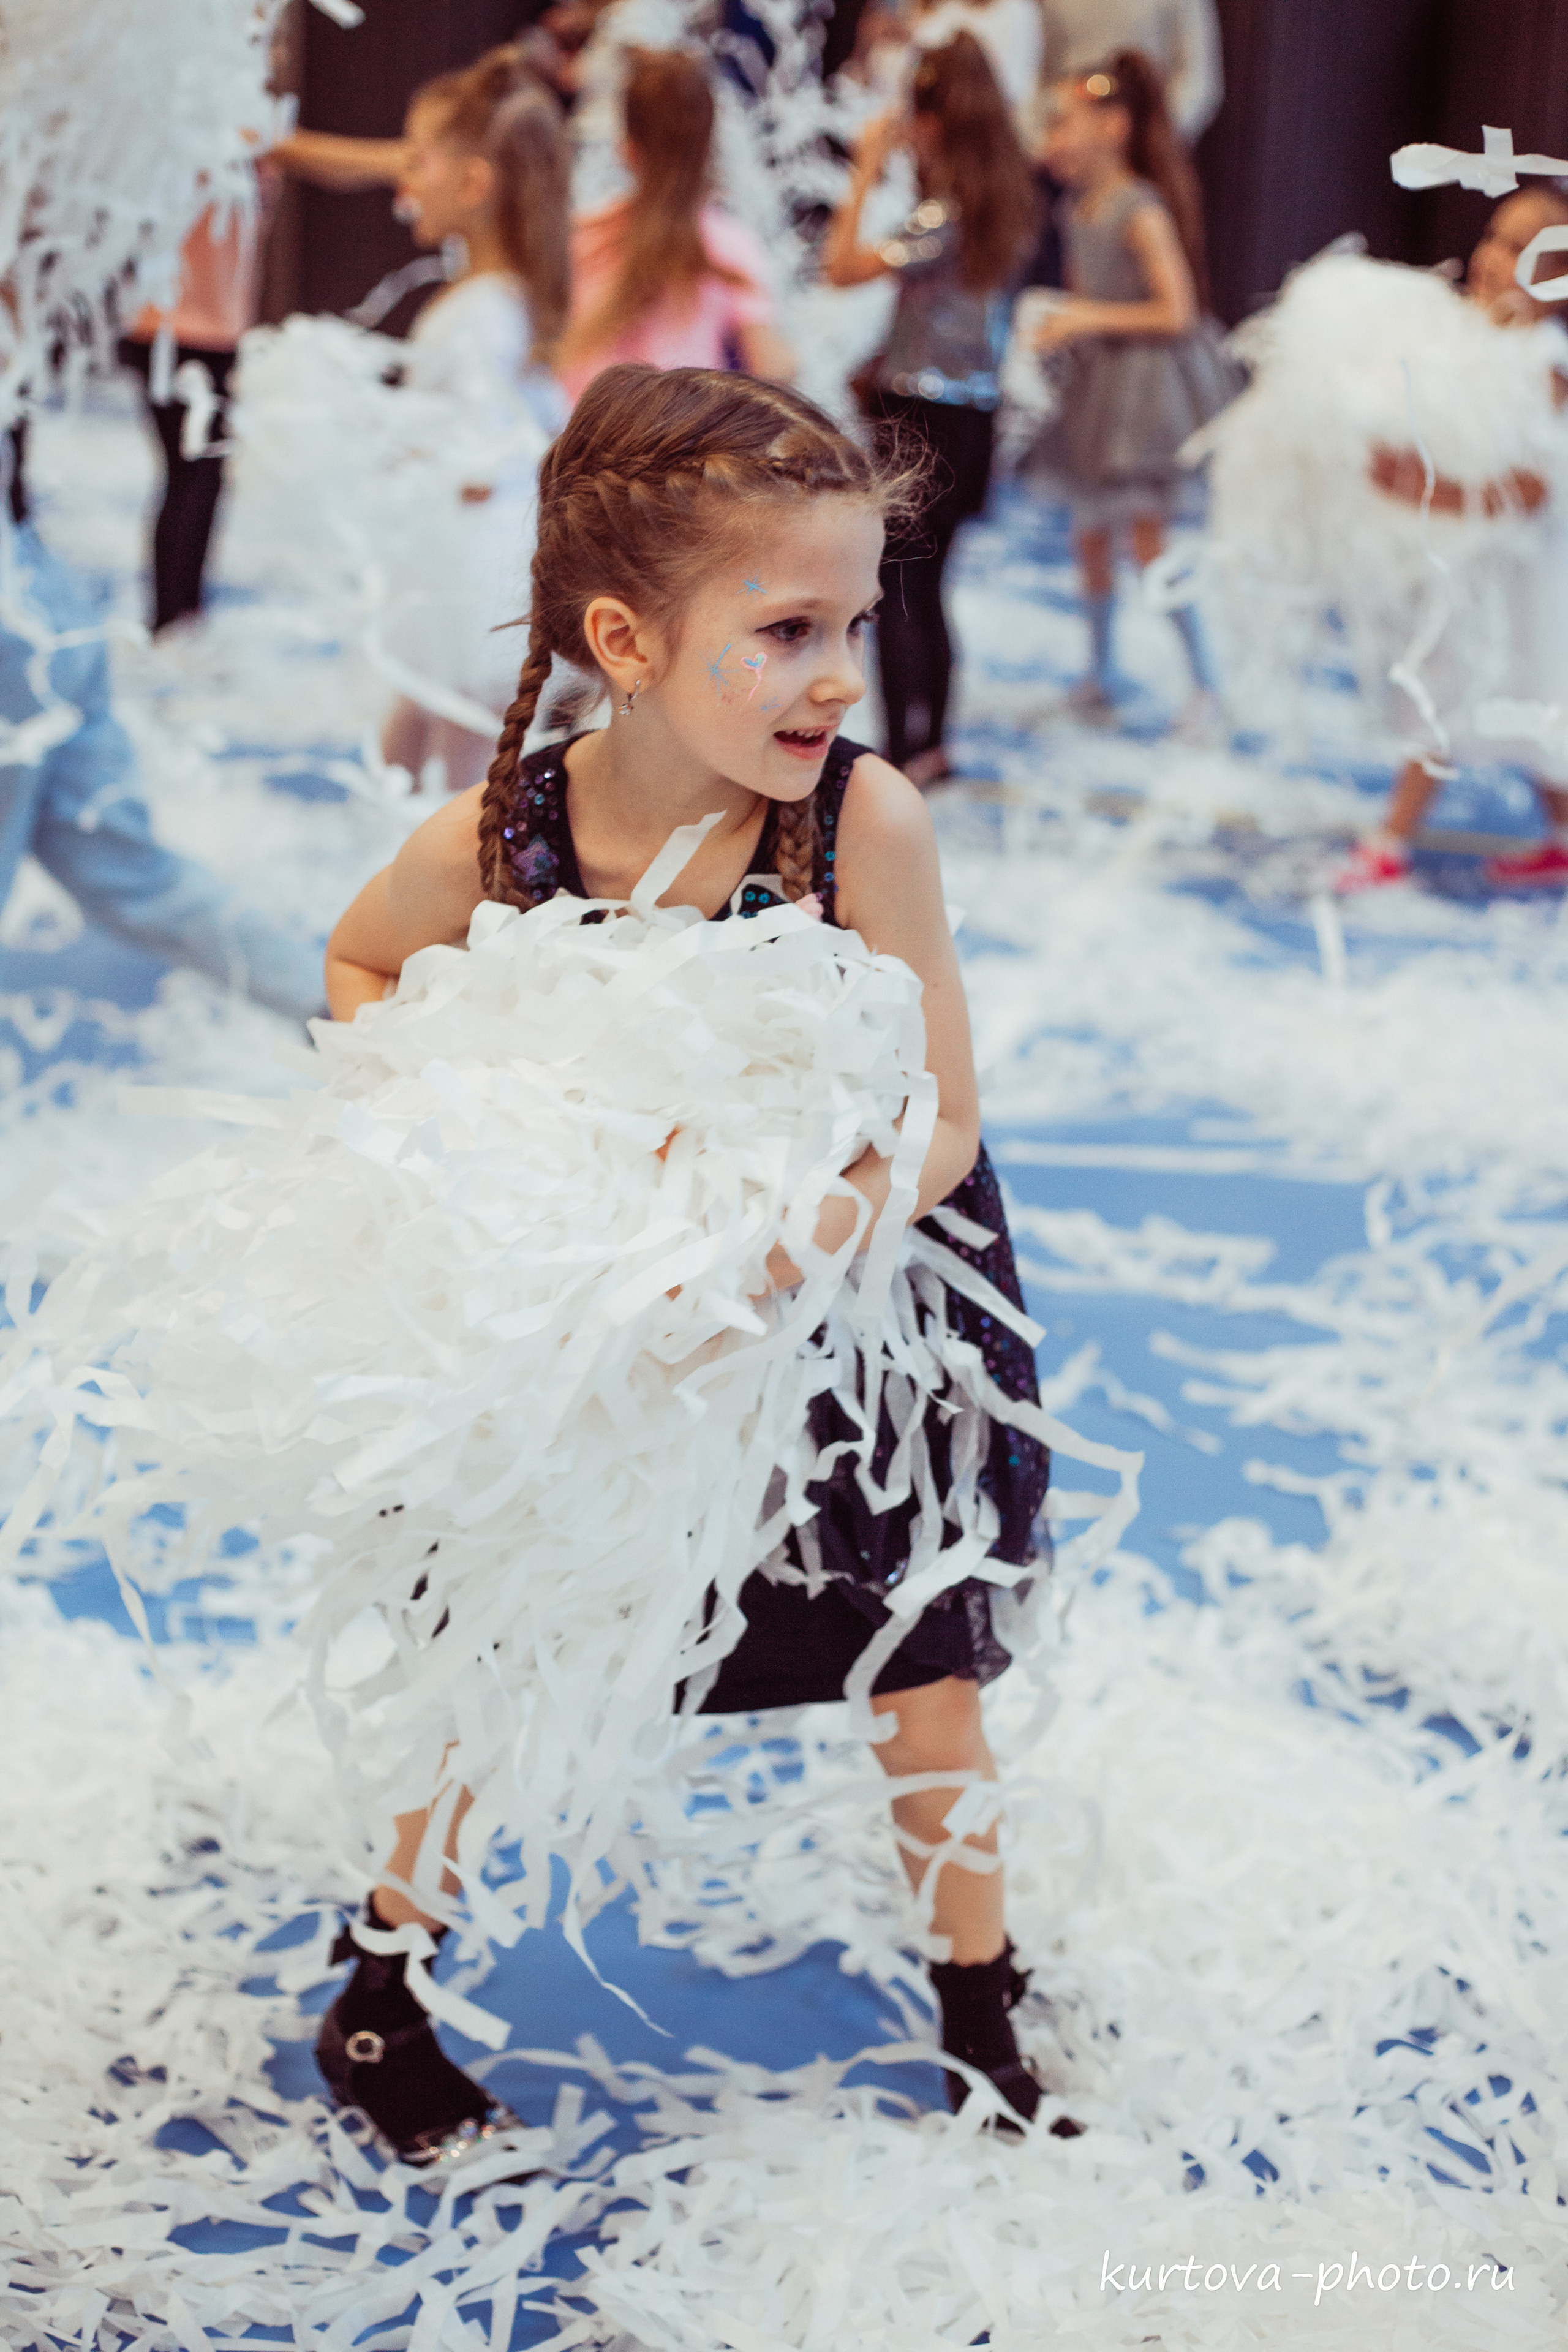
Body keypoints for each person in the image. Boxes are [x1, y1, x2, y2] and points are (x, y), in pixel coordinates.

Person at [315, 362, 1067, 2165]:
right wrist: (458, 1133)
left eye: (854, 622)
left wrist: (780, 1243)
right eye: (786, 625)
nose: (836, 674)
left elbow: (940, 1118)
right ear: (624, 640)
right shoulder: (506, 831)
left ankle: (982, 1997)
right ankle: (379, 1984)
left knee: (918, 1652)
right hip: (594, 1316)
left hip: (854, 1315)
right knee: (488, 1628)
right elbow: (355, 968)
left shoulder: (855, 825)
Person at [1335, 187, 1568, 894]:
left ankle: (1391, 840)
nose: (1495, 258)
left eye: (1524, 250)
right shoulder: (1472, 338)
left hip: (1516, 573)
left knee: (1453, 696)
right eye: (1495, 238)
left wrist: (1424, 490)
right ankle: (1561, 835)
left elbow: (1534, 489)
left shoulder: (1542, 360)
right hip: (1472, 563)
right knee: (1528, 713)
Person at [0, 514, 323, 1020]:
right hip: (42, 595)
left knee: (125, 865)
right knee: (129, 866)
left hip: (24, 616)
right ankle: (334, 1002)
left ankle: (337, 1002)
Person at [822, 34, 1036, 785]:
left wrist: (861, 172)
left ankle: (903, 752)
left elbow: (841, 266)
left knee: (898, 589)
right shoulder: (1004, 198)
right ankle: (928, 744)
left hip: (919, 418)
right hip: (969, 418)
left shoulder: (945, 213)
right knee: (928, 586)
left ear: (934, 118)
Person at [370, 50, 571, 796]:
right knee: (427, 720)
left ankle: (457, 891)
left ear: (474, 183)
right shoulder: (504, 300)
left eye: (418, 161)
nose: (404, 181)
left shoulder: (478, 314)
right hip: (466, 554)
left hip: (466, 564)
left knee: (466, 760)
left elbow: (480, 460)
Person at [1027, 50, 1234, 734]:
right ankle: (1098, 671)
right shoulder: (1078, 207)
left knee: (1147, 541)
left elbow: (1175, 312)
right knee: (1090, 535)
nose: (1051, 141)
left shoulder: (1138, 208)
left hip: (1149, 392)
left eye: (1064, 124)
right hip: (1100, 389)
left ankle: (1206, 681)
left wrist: (1086, 317)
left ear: (1113, 126)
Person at [554, 49, 795, 404]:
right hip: (673, 446)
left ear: (627, 150)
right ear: (709, 147)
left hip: (579, 438)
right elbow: (773, 370)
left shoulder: (581, 234)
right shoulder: (727, 246)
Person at [118, 178, 276, 637]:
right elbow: (301, 152)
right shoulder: (229, 122)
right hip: (180, 332)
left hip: (195, 329)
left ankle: (179, 612)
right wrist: (406, 158)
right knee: (194, 476)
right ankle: (173, 616)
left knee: (195, 476)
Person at [1038, 0, 1222, 146]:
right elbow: (1041, 76)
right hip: (1066, 149)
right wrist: (1048, 139)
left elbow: (1198, 80)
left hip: (1145, 145)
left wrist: (1152, 138)